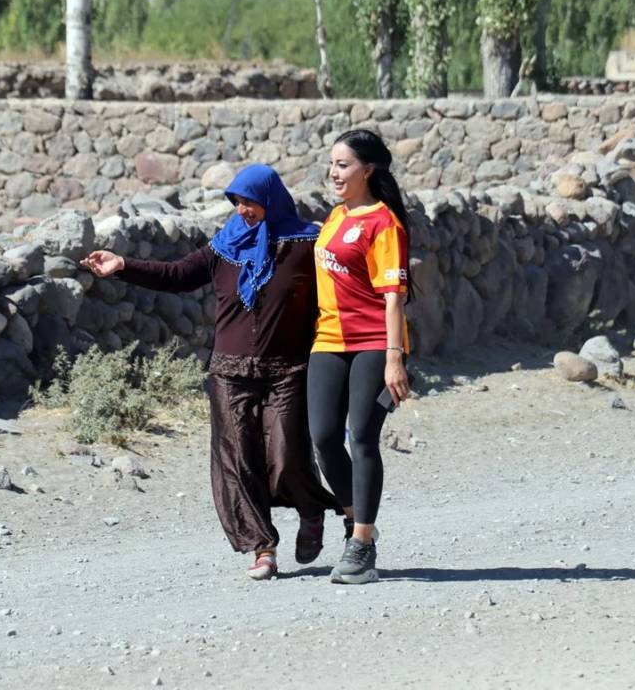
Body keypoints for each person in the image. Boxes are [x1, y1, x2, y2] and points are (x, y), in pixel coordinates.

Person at [81, 164, 341, 580]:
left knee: (286, 453)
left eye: (250, 201)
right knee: (237, 459)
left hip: (288, 369)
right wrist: (122, 265)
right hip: (229, 371)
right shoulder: (225, 247)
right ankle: (263, 547)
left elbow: (342, 290)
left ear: (271, 199)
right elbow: (179, 275)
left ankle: (311, 511)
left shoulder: (307, 243)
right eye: (236, 201)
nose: (243, 210)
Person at [307, 129, 411, 585]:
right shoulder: (334, 217)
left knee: (362, 437)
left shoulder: (384, 223)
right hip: (328, 340)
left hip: (374, 341)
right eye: (331, 163)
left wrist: (394, 358)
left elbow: (393, 299)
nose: (334, 172)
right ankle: (355, 520)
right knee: (324, 436)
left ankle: (362, 545)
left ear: (368, 170)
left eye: (343, 164)